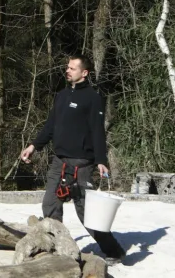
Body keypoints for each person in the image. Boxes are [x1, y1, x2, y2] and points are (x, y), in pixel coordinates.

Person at [19, 54, 127, 264]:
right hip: (59, 161)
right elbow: (50, 125)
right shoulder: (61, 96)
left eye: (72, 68)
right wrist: (34, 146)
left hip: (81, 164)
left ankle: (114, 251)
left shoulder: (93, 98)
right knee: (50, 205)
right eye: (67, 67)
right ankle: (55, 249)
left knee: (87, 213)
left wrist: (101, 160)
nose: (67, 71)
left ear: (84, 73)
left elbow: (97, 131)